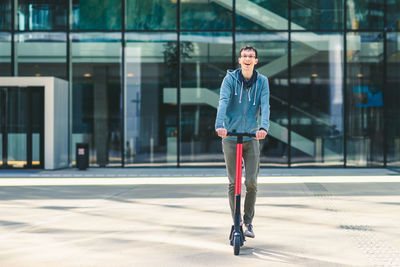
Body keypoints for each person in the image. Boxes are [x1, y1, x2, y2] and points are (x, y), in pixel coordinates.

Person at [215, 46, 270, 238]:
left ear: (256, 61)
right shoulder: (229, 80)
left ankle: (248, 221)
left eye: (251, 56)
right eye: (244, 56)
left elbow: (265, 104)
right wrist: (219, 125)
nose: (247, 59)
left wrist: (263, 128)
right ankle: (236, 220)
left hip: (251, 137)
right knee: (233, 182)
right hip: (230, 137)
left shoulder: (262, 81)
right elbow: (223, 101)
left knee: (252, 182)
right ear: (240, 60)